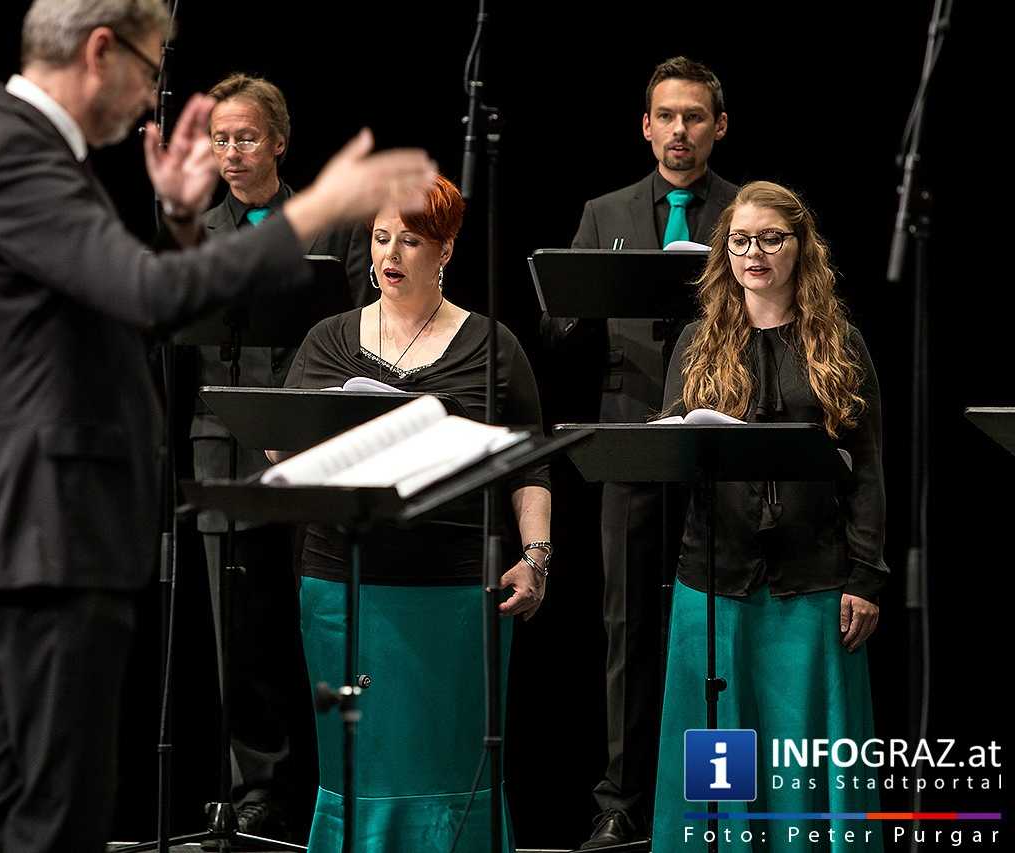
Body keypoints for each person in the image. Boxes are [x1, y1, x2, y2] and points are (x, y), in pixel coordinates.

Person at [0, 1, 436, 850]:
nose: (152, 97)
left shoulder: (19, 146)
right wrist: (319, 212)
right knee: (51, 810)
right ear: (101, 50)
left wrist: (173, 221)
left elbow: (120, 300)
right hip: (45, 523)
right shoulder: (20, 155)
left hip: (41, 521)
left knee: (16, 800)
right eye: (152, 67)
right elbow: (150, 297)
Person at [280, 175, 551, 852]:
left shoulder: (493, 345)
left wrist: (537, 556)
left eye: (409, 239)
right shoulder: (327, 341)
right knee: (356, 760)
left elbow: (530, 465)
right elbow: (283, 447)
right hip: (343, 584)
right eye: (379, 238)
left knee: (451, 761)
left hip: (457, 590)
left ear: (446, 249)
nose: (389, 254)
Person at [651, 181, 887, 851]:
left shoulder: (838, 343)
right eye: (740, 240)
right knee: (719, 752)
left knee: (802, 745)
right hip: (715, 582)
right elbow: (671, 451)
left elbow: (868, 470)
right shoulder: (698, 342)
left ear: (800, 247)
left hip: (814, 580)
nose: (754, 253)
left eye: (770, 239)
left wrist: (866, 575)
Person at [547, 56, 738, 850]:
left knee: (716, 626)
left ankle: (716, 795)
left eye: (695, 116)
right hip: (628, 439)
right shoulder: (608, 210)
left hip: (720, 436)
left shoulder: (744, 209)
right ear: (646, 125)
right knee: (626, 623)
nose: (679, 131)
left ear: (718, 126)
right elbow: (561, 330)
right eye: (666, 116)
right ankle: (620, 798)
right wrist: (596, 300)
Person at [187, 73, 371, 836]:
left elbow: (362, 328)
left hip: (310, 442)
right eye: (221, 139)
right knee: (240, 626)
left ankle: (340, 778)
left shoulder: (329, 225)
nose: (232, 152)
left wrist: (303, 413)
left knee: (319, 612)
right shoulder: (194, 234)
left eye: (247, 137)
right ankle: (259, 784)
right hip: (219, 444)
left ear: (280, 142)